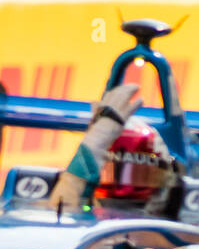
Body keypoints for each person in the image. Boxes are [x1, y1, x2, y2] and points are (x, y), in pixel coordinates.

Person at [48, 83, 182, 215]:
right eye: (112, 174)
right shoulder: (76, 216)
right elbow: (62, 211)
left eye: (138, 175)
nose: (122, 190)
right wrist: (96, 139)